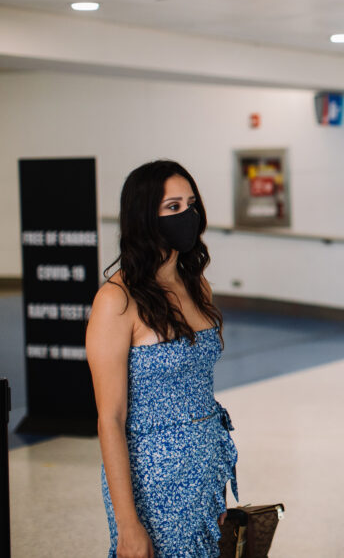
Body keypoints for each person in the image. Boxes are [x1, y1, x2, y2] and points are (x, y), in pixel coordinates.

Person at [86, 160, 238, 558]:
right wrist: (128, 524)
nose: (187, 215)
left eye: (191, 204)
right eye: (172, 207)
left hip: (205, 467)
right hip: (154, 480)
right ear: (143, 218)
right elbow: (110, 418)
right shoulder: (117, 300)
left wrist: (217, 483)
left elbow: (201, 394)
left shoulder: (197, 284)